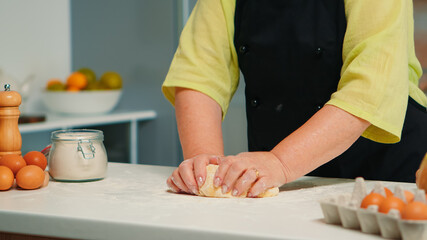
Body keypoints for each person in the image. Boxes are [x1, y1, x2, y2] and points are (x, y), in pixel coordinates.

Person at [162, 0, 427, 197]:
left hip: (384, 176)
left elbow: (368, 90)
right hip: (280, 182)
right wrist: (205, 163)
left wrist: (280, 162)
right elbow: (198, 74)